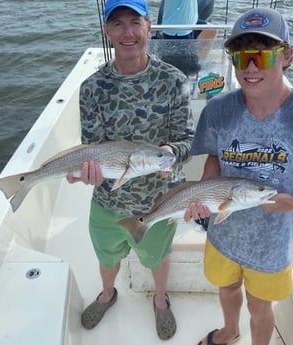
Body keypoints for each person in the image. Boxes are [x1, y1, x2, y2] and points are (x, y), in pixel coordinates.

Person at [184, 7, 293, 345]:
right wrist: (203, 197)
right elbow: (213, 158)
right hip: (222, 234)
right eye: (241, 56)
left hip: (271, 246)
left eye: (263, 57)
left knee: (260, 305)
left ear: (288, 56)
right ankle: (230, 330)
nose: (250, 68)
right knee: (227, 288)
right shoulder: (217, 109)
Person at [67, 0, 194, 340]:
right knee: (106, 256)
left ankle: (161, 299)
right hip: (108, 198)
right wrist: (87, 172)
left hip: (157, 200)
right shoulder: (92, 87)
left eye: (134, 23)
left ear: (149, 28)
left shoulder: (173, 80)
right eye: (118, 24)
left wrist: (171, 152)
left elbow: (186, 139)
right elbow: (92, 145)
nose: (127, 32)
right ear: (107, 31)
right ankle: (107, 294)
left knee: (157, 257)